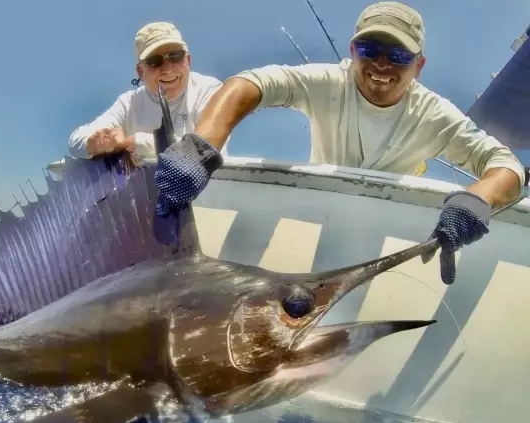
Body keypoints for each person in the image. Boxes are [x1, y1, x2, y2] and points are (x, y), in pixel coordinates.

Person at [153, 1, 526, 286]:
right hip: (322, 223)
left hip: (400, 241)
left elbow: (504, 164)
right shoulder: (329, 81)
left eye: (398, 56)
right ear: (352, 52)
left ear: (419, 65)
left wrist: (478, 198)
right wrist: (200, 146)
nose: (382, 65)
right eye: (370, 51)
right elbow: (249, 85)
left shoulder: (434, 113)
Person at [68, 21, 228, 162]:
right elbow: (76, 140)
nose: (167, 68)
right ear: (140, 72)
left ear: (188, 60)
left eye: (175, 56)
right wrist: (95, 142)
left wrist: (137, 143)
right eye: (154, 61)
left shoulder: (209, 89)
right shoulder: (128, 103)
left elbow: (205, 150)